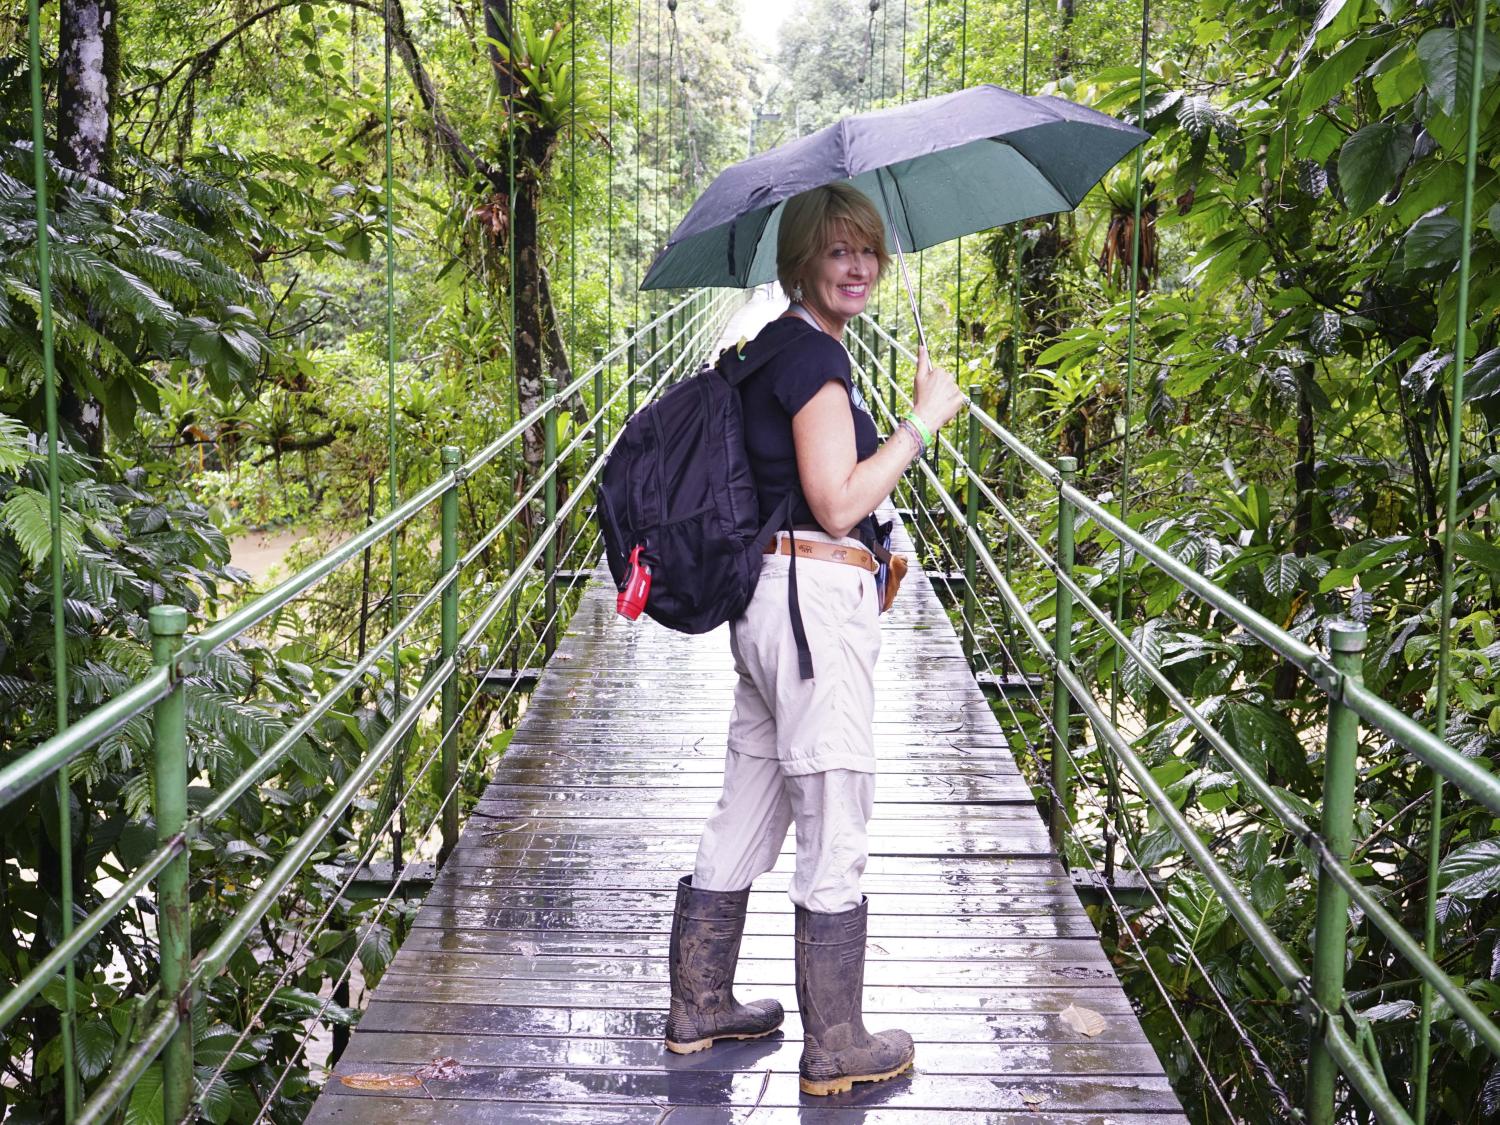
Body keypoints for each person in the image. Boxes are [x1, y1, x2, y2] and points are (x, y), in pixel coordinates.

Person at [663, 182, 965, 1096]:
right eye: (838, 251)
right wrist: (922, 419)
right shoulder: (815, 365)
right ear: (802, 260)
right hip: (809, 613)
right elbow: (838, 500)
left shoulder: (770, 352)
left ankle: (700, 1004)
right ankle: (836, 1041)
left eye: (868, 250)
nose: (859, 266)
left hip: (767, 608)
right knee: (835, 806)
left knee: (749, 801)